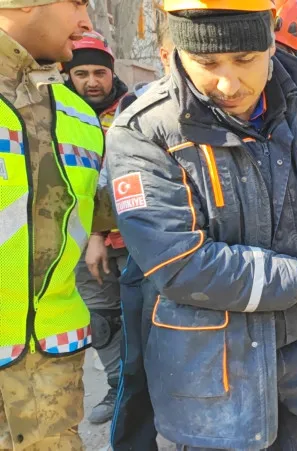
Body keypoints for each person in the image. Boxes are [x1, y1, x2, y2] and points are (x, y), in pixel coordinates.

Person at [105, 0, 297, 449]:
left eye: (245, 60)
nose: (228, 83)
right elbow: (180, 265)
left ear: (271, 41)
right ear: (177, 52)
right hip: (215, 354)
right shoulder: (145, 133)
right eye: (206, 62)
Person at [0, 0, 115, 448]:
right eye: (76, 2)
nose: (86, 20)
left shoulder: (81, 116)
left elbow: (95, 213)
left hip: (53, 365)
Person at [109, 11, 174, 451]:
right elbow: (109, 189)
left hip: (217, 273)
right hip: (149, 266)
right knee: (137, 368)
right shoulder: (138, 110)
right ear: (169, 55)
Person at [61, 30, 129, 426]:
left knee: (147, 319)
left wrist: (101, 234)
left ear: (112, 72)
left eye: (99, 72)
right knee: (103, 321)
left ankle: (147, 394)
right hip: (81, 240)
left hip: (134, 237)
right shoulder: (59, 112)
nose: (91, 81)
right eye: (81, 72)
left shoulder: (132, 109)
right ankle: (118, 390)